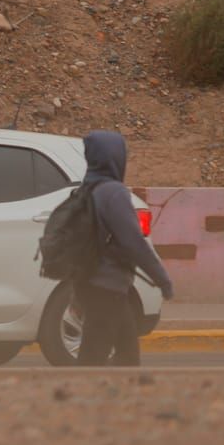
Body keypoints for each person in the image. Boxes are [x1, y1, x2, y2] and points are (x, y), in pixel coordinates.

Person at [76, 130, 174, 367]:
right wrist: (161, 278)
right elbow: (134, 242)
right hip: (107, 287)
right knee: (93, 360)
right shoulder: (113, 193)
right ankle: (77, 400)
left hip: (98, 286)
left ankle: (114, 399)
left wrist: (76, 293)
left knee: (126, 357)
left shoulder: (85, 191)